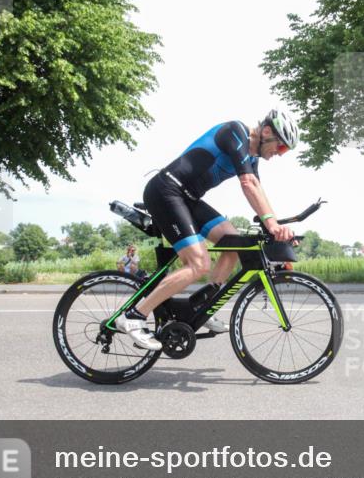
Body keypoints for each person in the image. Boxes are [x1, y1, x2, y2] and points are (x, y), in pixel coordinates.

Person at [116, 109, 299, 350]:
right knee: (198, 264)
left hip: (188, 199)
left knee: (234, 245)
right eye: (282, 147)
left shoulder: (251, 159)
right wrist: (273, 225)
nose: (280, 154)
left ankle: (203, 306)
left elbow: (258, 191)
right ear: (267, 131)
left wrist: (276, 228)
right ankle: (133, 317)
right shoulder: (236, 132)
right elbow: (248, 184)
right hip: (166, 191)